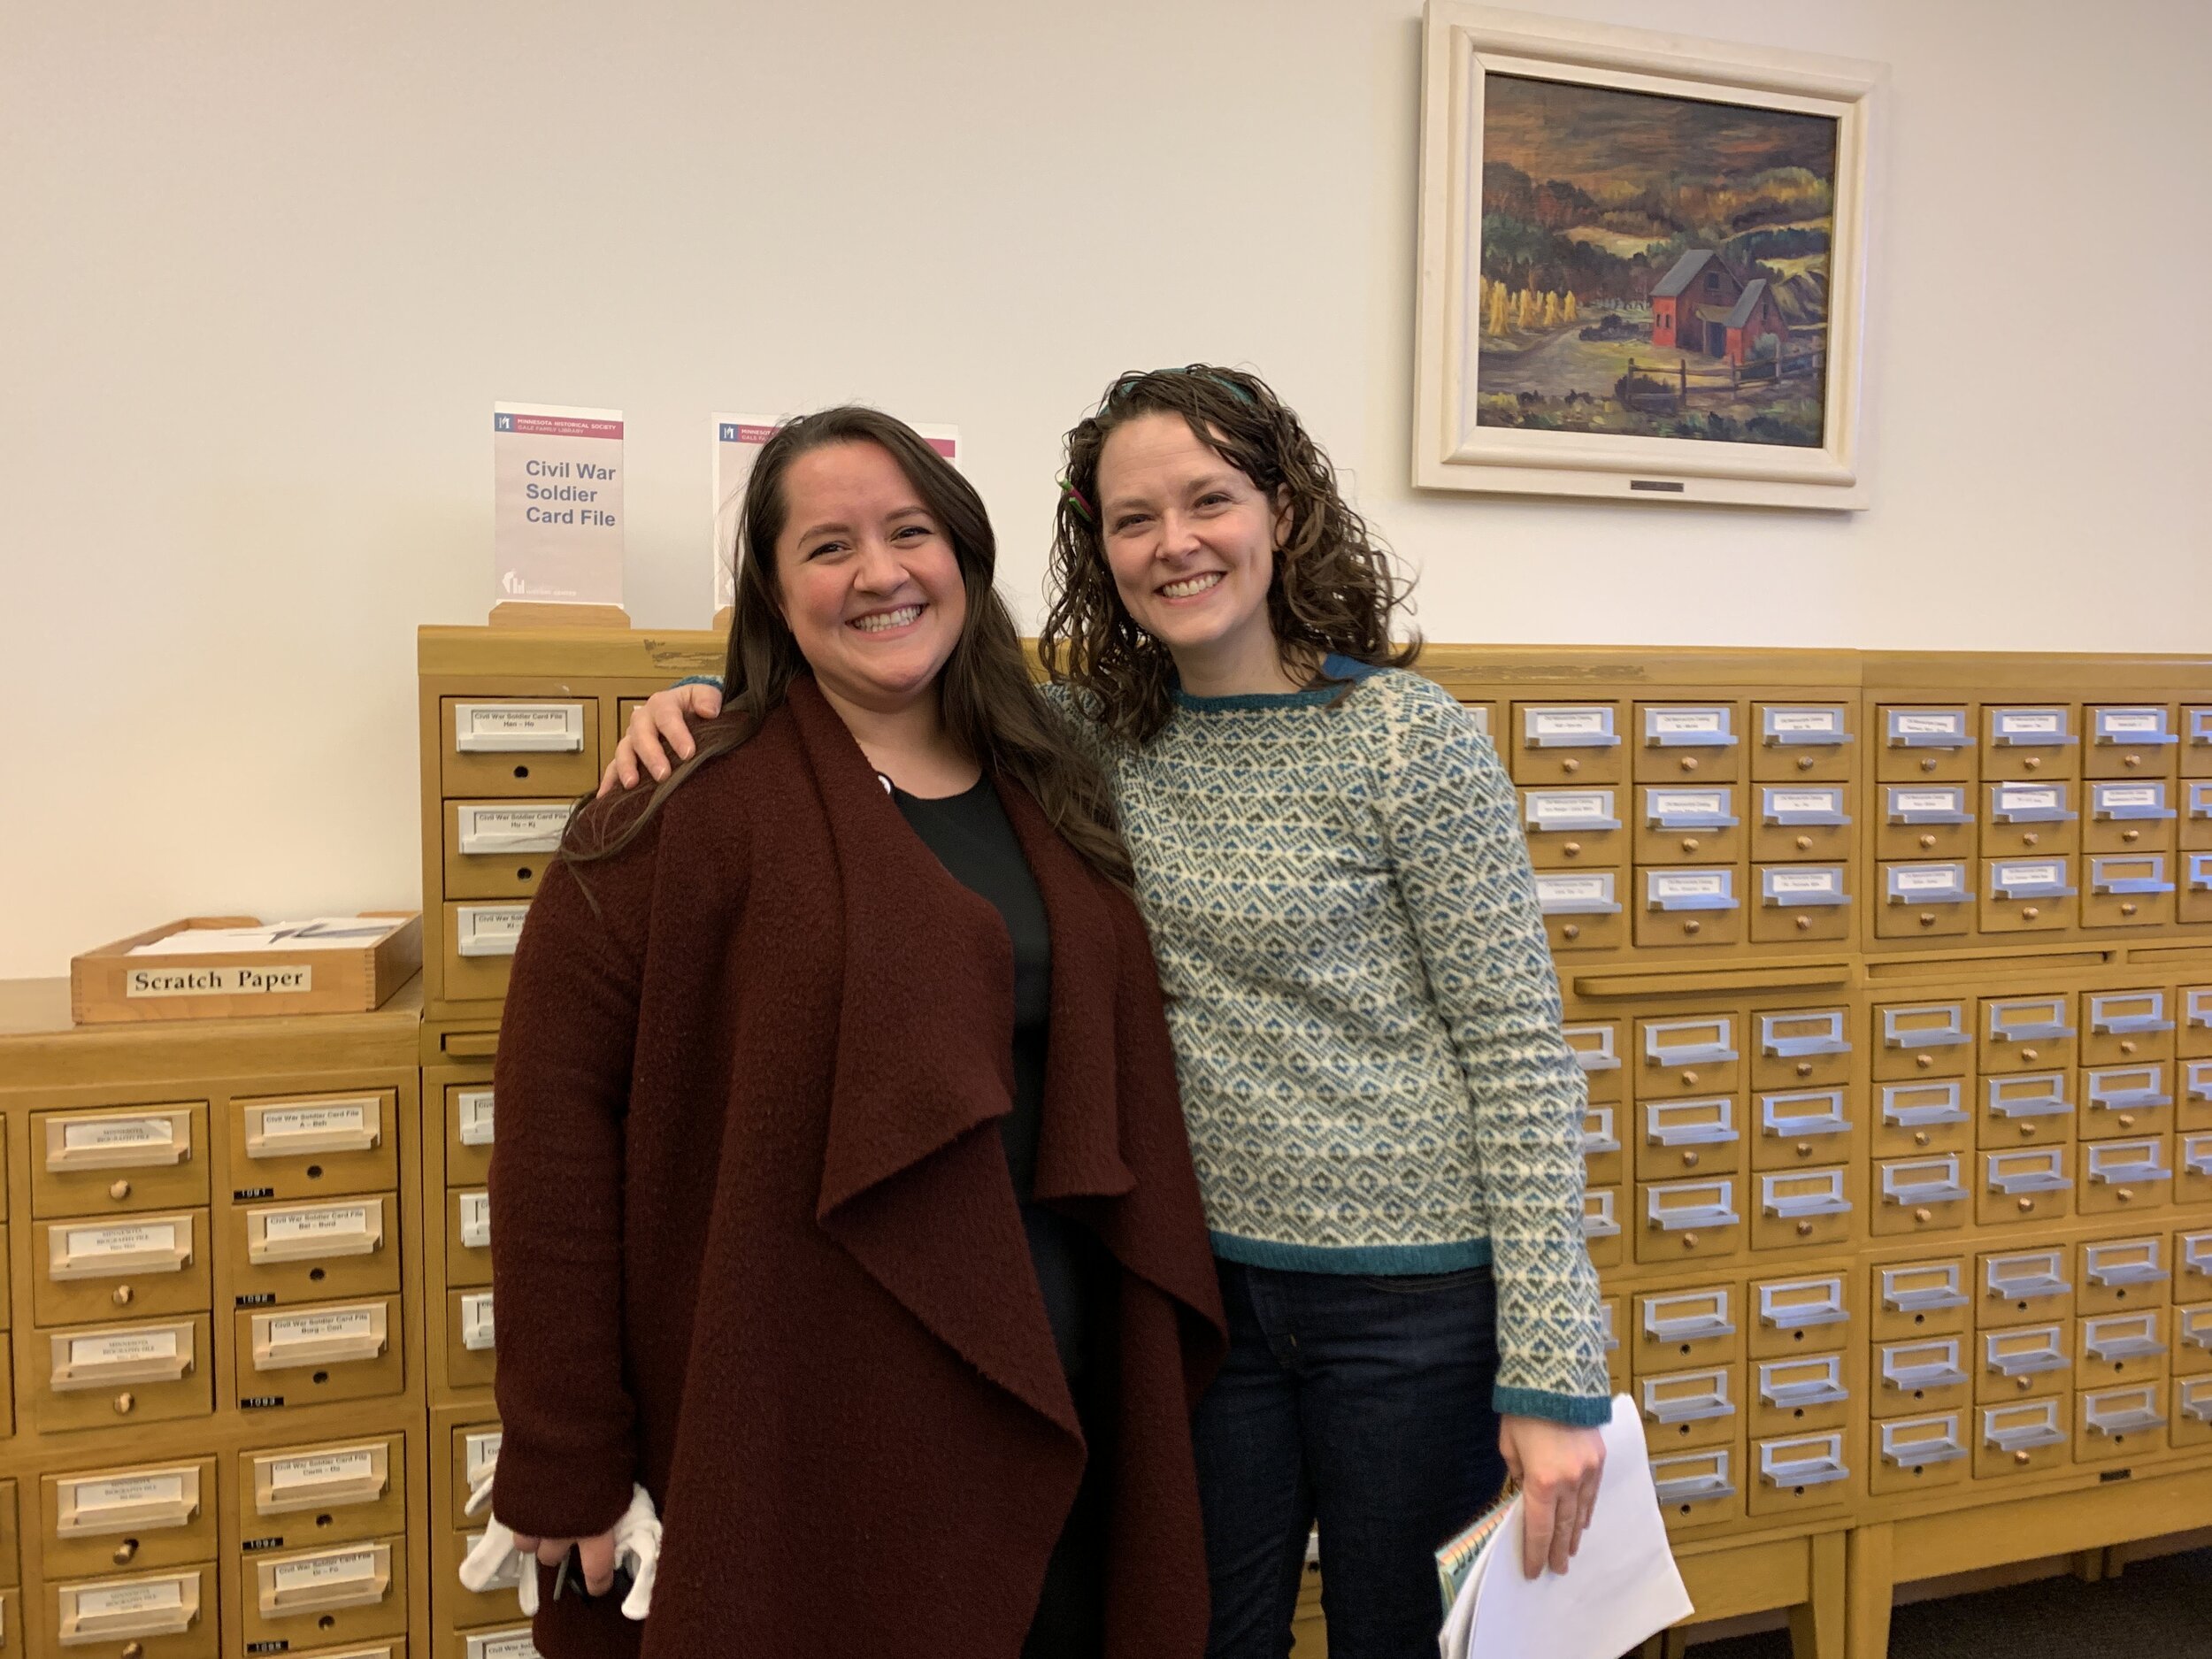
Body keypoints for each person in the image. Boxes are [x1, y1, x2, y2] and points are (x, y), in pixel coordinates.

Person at [609, 368, 1610, 1658]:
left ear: (1284, 511)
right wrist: (707, 697)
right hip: (1197, 1297)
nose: (1176, 543)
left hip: (1410, 1309)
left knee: (1403, 1642)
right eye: (1134, 518)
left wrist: (1552, 1371)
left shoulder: (1406, 740)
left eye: (1211, 501)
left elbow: (1521, 1053)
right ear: (1101, 547)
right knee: (1194, 1632)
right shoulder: (1084, 738)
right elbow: (891, 679)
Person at [491, 404, 1226, 1659]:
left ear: (964, 557)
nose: (880, 574)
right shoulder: (681, 808)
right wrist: (565, 1444)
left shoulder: (1051, 781)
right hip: (808, 1410)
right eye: (827, 548)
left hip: (1058, 1394)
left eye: (909, 533)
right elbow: (552, 1127)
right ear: (775, 595)